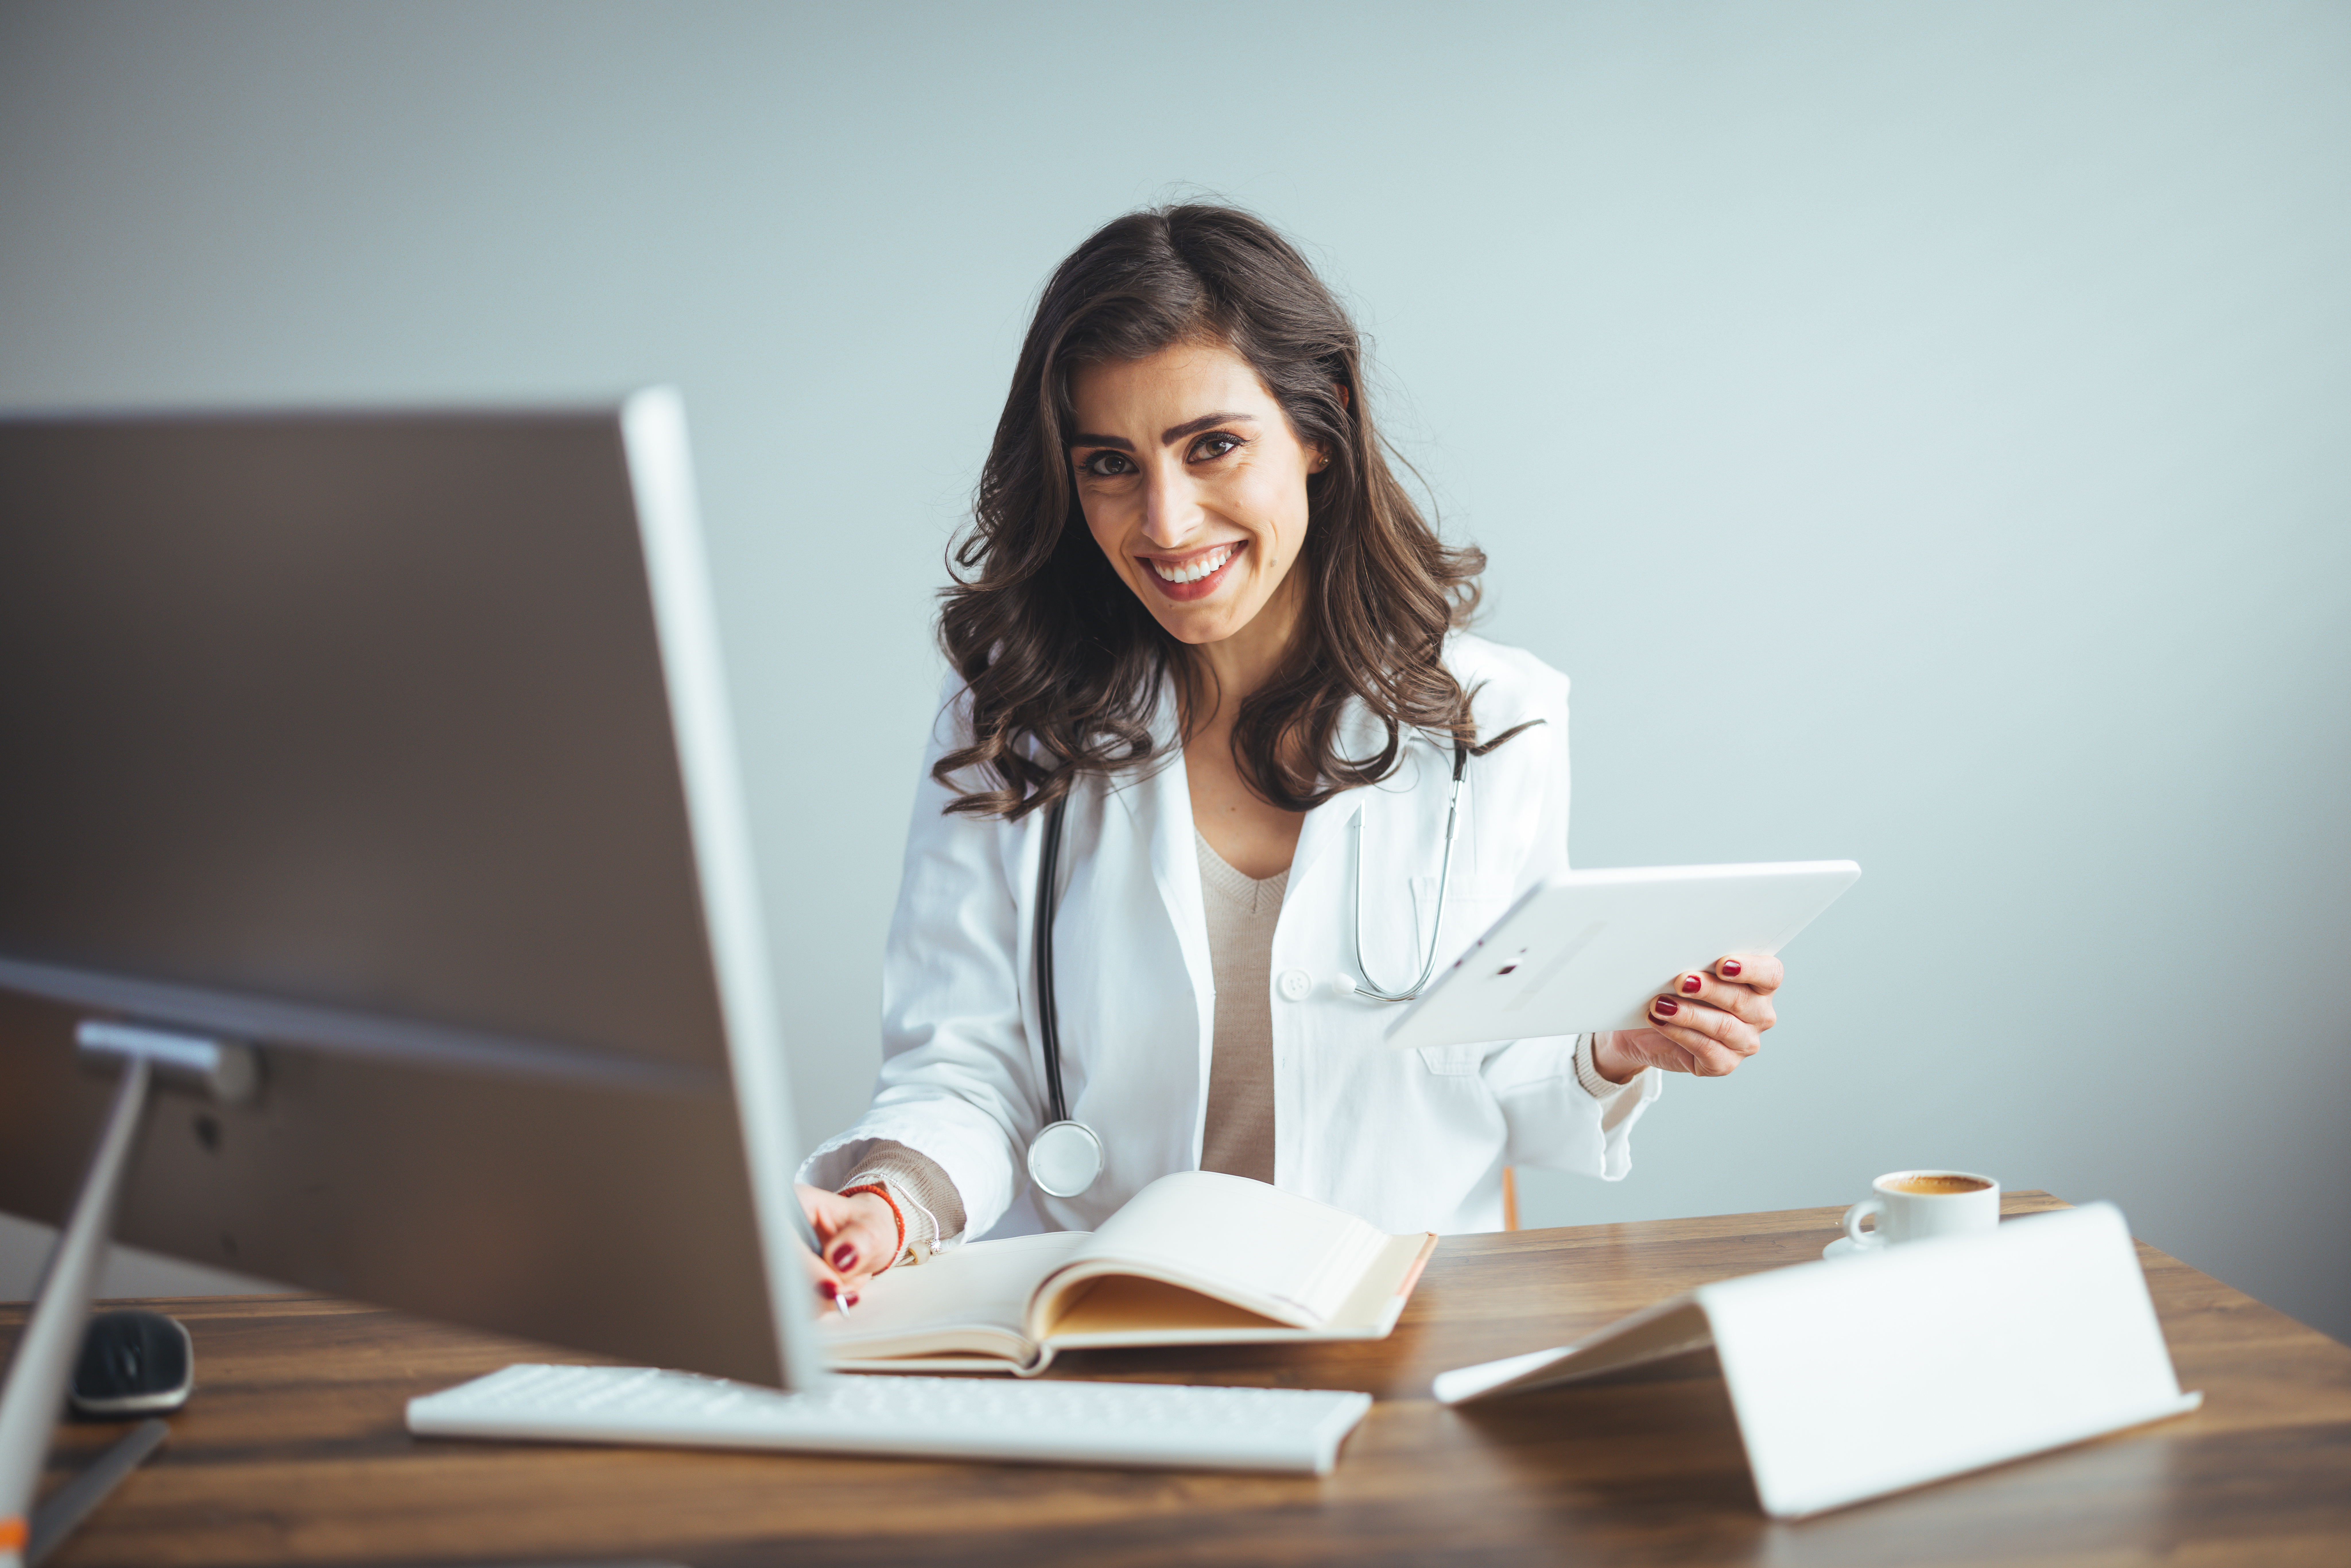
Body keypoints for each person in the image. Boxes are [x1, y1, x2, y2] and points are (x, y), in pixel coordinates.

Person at [792, 205, 1783, 1309]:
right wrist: (888, 1207)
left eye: (1213, 445)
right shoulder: (1011, 717)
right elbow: (962, 1070)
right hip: (1096, 1326)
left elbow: (1510, 1078)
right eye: (1111, 464)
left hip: (1394, 1320)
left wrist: (1622, 1043)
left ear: (1321, 426)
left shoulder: (1495, 717)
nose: (1165, 523)